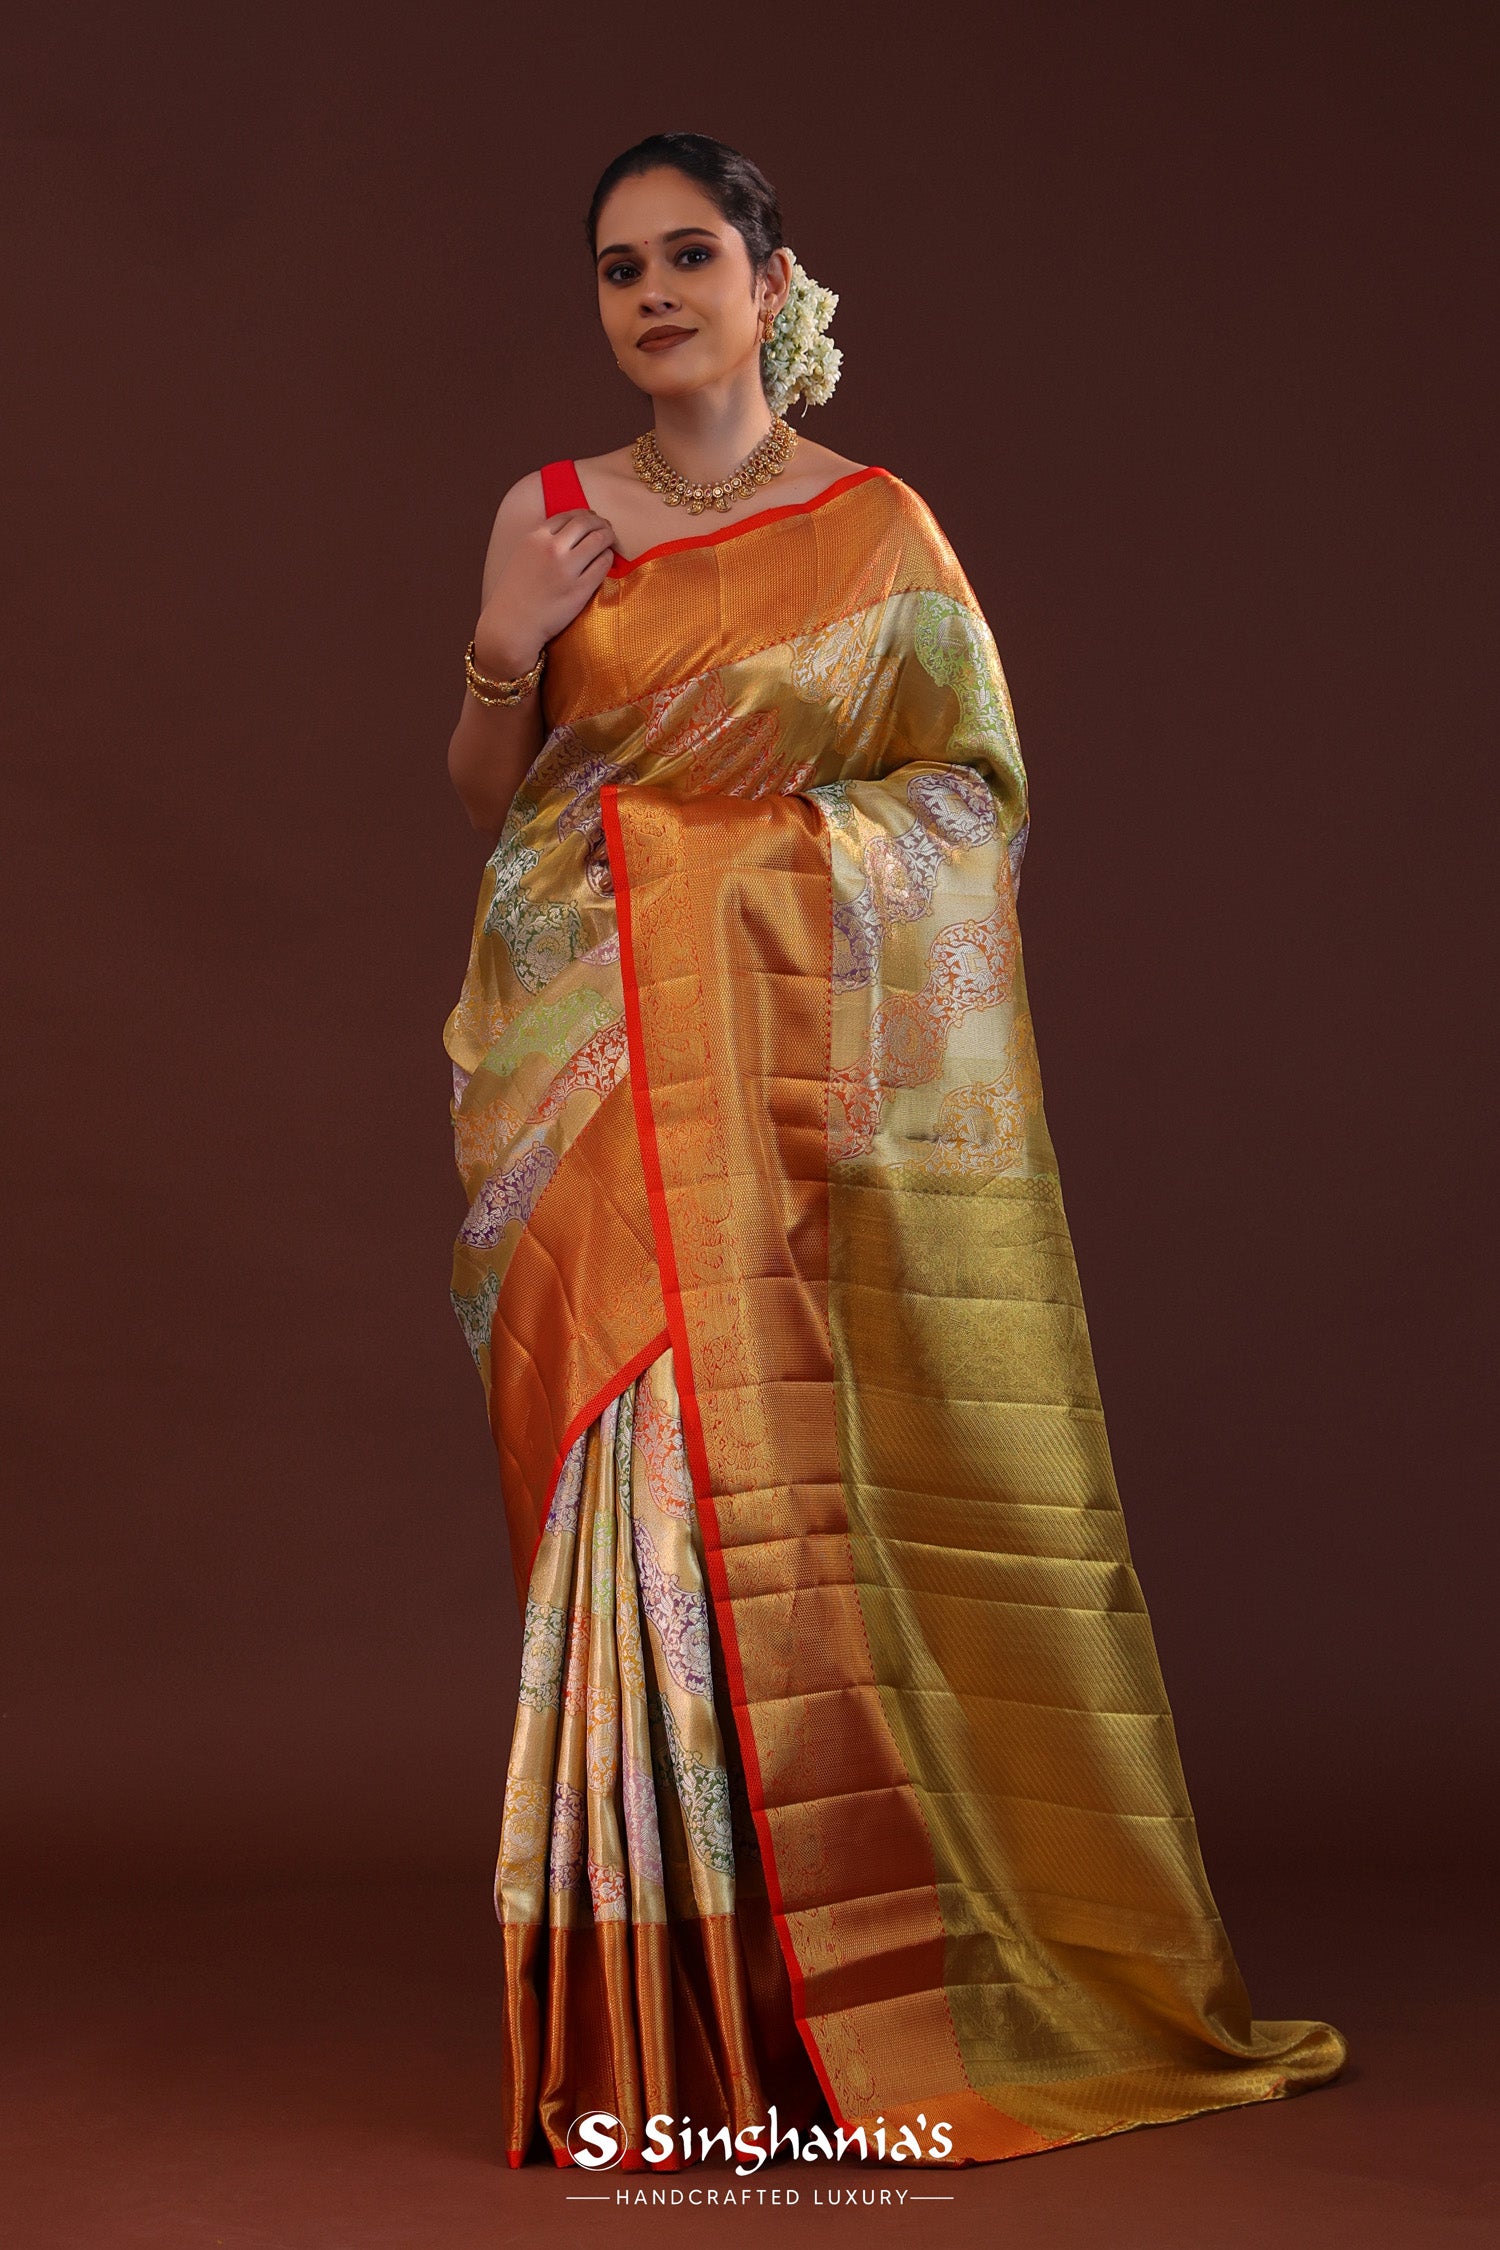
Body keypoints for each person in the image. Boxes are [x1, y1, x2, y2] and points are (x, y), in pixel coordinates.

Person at [443, 130, 1346, 2171]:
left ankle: (812, 1999)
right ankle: (659, 2021)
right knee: (638, 1494)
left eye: (690, 256)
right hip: (587, 1074)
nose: (653, 296)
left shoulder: (878, 530)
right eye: (618, 269)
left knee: (787, 1501)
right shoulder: (548, 514)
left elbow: (966, 809)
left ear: (774, 285)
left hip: (789, 1101)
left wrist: (729, 877)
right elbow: (495, 796)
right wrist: (505, 640)